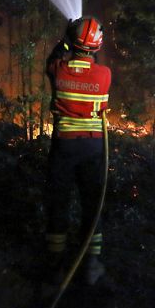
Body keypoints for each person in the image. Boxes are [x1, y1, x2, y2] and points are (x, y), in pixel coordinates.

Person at [44, 15, 111, 286]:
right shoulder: (105, 75)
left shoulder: (58, 69)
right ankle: (91, 264)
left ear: (72, 42)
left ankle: (54, 264)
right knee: (92, 205)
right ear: (96, 47)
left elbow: (53, 59)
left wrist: (64, 42)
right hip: (94, 147)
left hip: (64, 146)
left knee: (58, 203)